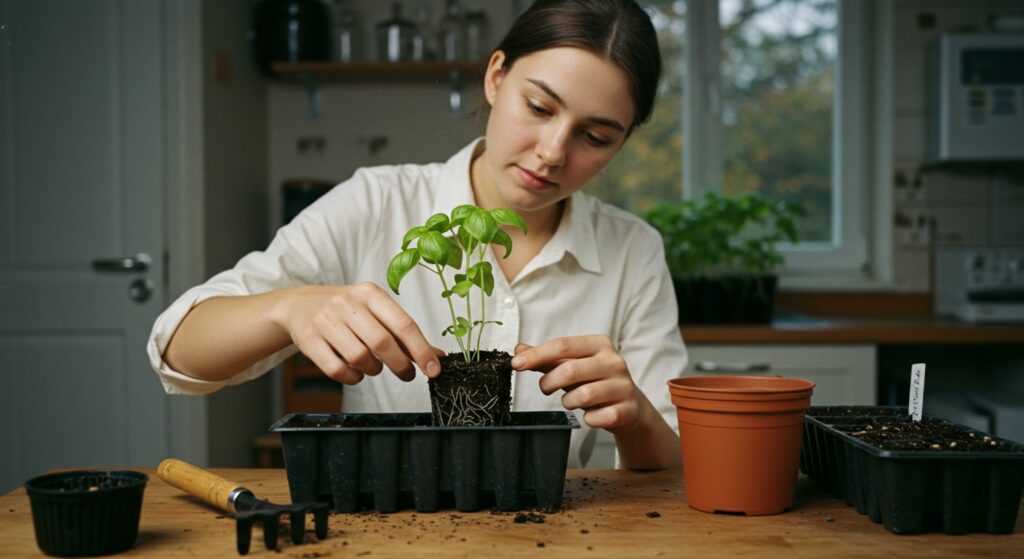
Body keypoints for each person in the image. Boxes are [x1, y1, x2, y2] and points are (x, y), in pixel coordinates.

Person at [148, 0, 687, 470]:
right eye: (539, 108)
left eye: (594, 136)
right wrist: (289, 307)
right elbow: (179, 350)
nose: (552, 151)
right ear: (497, 76)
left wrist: (635, 416)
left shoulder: (632, 250)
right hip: (391, 519)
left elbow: (672, 463)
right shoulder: (376, 203)